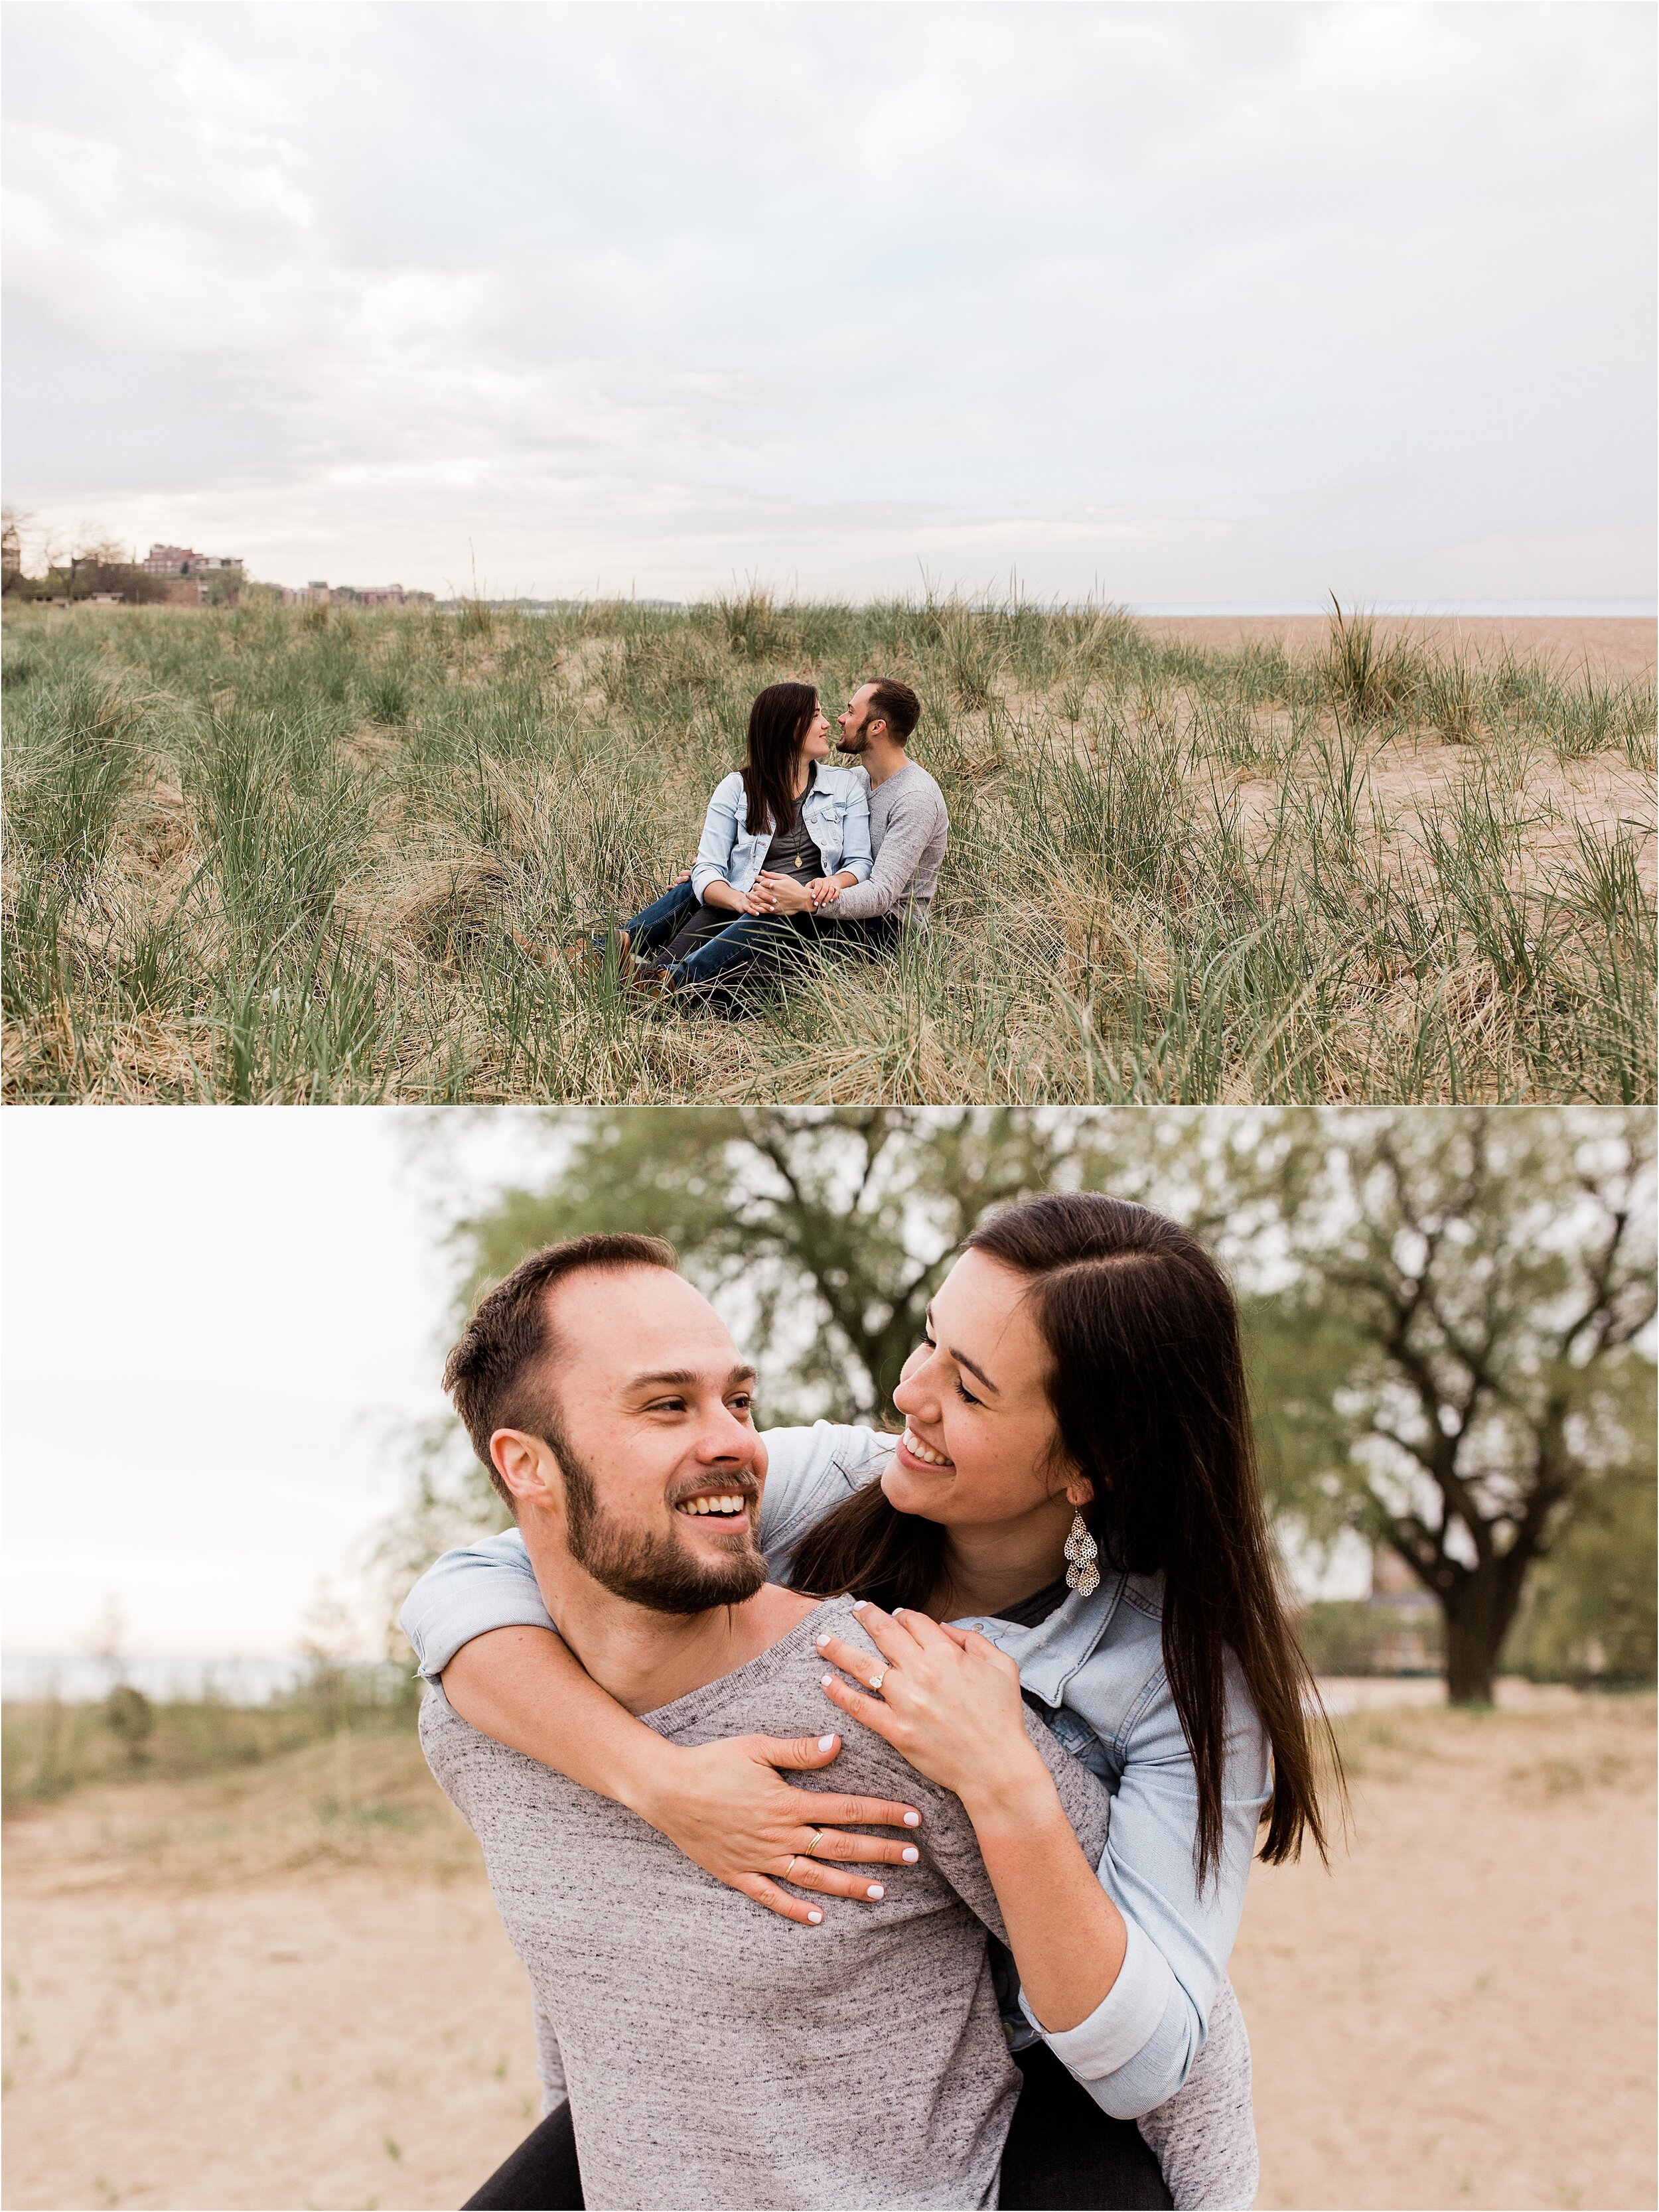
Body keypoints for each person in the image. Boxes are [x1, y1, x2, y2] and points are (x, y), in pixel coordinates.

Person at [407, 1195, 1333, 2203]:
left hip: (1051, 2072)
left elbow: (1154, 2058)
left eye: (969, 1390)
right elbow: (475, 1586)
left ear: (1088, 1463)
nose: (910, 1393)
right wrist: (663, 1782)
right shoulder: (844, 1481)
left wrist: (1001, 1776)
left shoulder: (1186, 1674)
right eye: (929, 1339)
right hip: (806, 2051)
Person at [601, 677, 948, 1001]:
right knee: (707, 890)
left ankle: (667, 981)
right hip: (837, 903)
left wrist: (808, 899)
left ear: (877, 728)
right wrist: (717, 878)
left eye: (850, 712)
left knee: (773, 914)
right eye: (826, 714)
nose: (838, 720)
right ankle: (615, 957)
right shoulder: (857, 779)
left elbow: (881, 893)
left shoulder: (914, 797)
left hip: (887, 928)